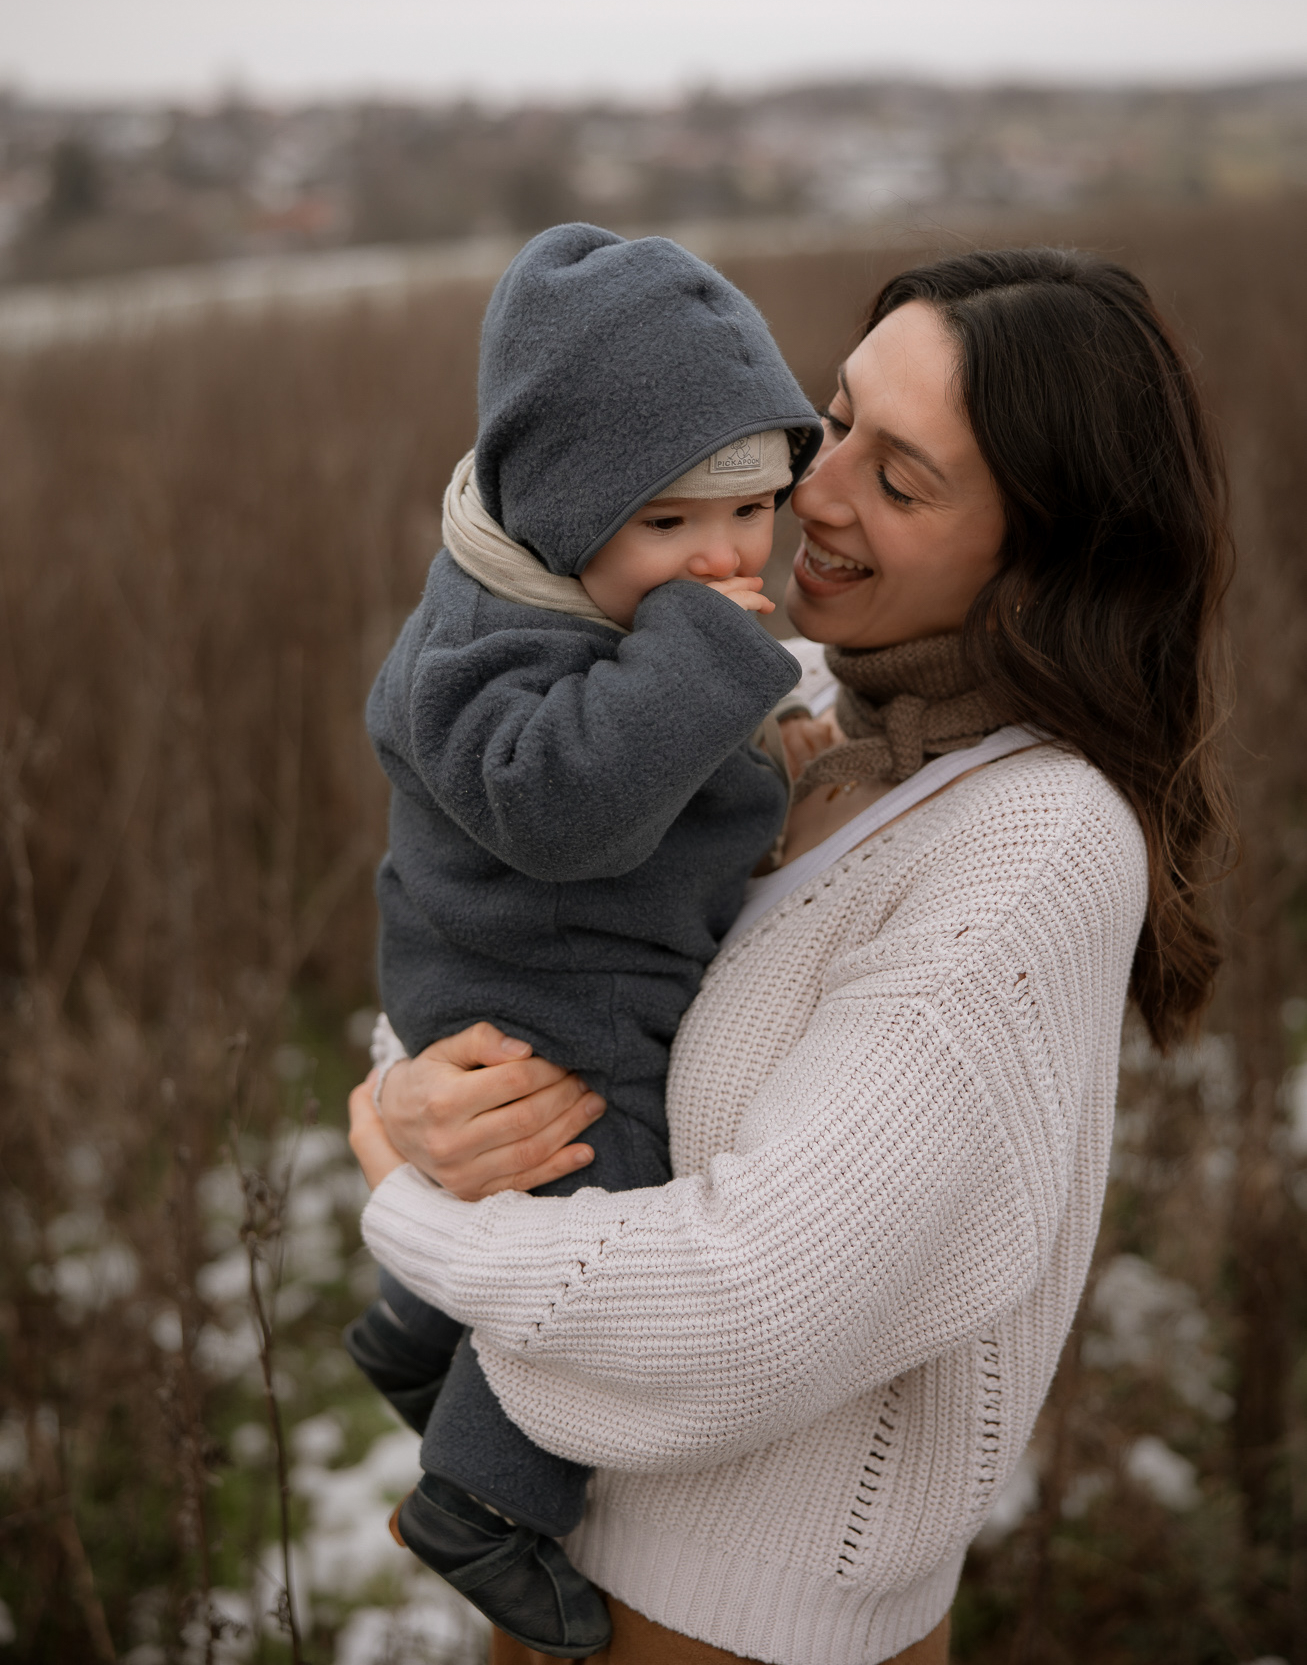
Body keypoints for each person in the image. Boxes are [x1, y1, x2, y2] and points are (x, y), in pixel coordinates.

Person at [350, 247, 1232, 1665]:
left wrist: (419, 1221)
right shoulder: (791, 685)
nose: (810, 494)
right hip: (570, 1575)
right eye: (836, 421)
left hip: (737, 1628)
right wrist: (415, 1096)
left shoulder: (1033, 845)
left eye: (902, 481)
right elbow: (515, 920)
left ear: (1043, 555)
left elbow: (752, 1304)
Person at [346, 221, 823, 1656]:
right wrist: (718, 661)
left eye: (757, 508)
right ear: (562, 513)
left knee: (549, 1182)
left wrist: (762, 724)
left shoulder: (593, 592)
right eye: (670, 524)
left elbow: (657, 727)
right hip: (535, 979)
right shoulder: (479, 645)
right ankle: (484, 1499)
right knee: (604, 1198)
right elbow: (567, 805)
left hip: (550, 954)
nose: (725, 556)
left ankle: (415, 1327)